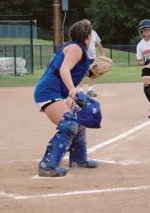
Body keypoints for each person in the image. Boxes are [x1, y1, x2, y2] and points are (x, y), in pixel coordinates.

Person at [33, 19, 98, 177]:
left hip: (55, 91)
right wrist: (72, 91)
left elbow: (74, 74)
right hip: (49, 91)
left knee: (78, 120)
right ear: (87, 36)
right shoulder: (76, 48)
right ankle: (47, 166)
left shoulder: (77, 48)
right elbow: (64, 70)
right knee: (69, 124)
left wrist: (93, 72)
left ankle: (79, 159)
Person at [79, 21, 105, 97]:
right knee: (81, 73)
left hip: (93, 57)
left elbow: (98, 44)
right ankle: (80, 90)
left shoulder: (94, 33)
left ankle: (90, 90)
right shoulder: (81, 33)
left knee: (93, 73)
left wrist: (102, 54)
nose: (88, 26)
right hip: (82, 56)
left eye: (89, 25)